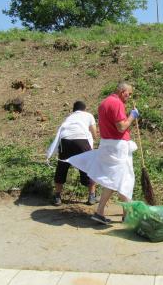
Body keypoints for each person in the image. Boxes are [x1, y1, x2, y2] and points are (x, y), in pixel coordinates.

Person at [65, 82, 140, 225]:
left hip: (107, 144)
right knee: (125, 179)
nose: (129, 97)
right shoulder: (117, 103)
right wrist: (132, 116)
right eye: (129, 94)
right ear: (122, 91)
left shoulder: (103, 103)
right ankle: (127, 214)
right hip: (117, 147)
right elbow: (121, 127)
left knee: (114, 179)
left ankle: (103, 212)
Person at [46, 101, 98, 206]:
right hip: (81, 141)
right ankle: (92, 196)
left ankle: (57, 197)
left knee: (62, 167)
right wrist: (94, 140)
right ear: (84, 109)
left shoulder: (69, 117)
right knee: (88, 167)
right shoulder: (88, 115)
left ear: (73, 110)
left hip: (65, 141)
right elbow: (94, 133)